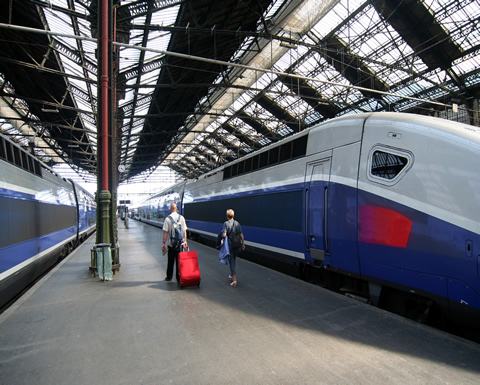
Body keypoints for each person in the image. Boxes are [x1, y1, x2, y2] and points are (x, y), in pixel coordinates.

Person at [162, 202, 188, 282]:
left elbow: (165, 232)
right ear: (176, 209)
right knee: (179, 262)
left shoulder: (167, 219)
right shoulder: (182, 218)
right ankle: (178, 277)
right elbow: (184, 231)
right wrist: (185, 241)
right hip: (180, 244)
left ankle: (169, 277)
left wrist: (163, 243)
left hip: (171, 244)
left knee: (170, 261)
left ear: (170, 209)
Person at [222, 209, 245, 288]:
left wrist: (223, 236)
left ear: (227, 216)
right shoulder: (237, 223)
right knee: (233, 259)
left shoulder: (226, 223)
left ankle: (234, 280)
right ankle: (231, 274)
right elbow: (241, 234)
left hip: (230, 245)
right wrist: (243, 244)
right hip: (237, 245)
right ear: (233, 215)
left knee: (231, 261)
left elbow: (224, 235)